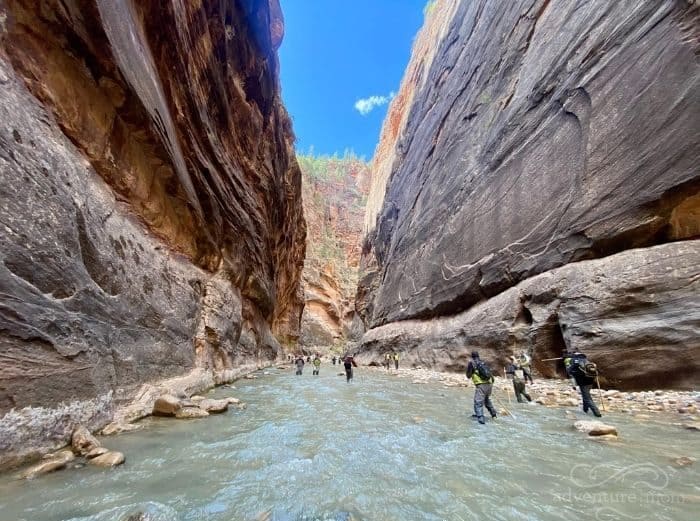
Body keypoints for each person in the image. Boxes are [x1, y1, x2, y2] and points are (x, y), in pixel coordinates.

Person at [564, 351, 602, 417]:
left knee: (587, 398)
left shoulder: (574, 360)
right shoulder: (586, 360)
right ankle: (585, 409)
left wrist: (568, 368)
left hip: (583, 382)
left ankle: (597, 413)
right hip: (590, 380)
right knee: (586, 395)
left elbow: (569, 371)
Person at [466, 351, 497, 424]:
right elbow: (490, 374)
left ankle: (481, 420)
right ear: (478, 356)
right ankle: (494, 415)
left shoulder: (472, 363)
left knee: (478, 402)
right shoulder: (483, 362)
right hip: (489, 384)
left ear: (472, 356)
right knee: (486, 400)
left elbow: (468, 376)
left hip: (481, 385)